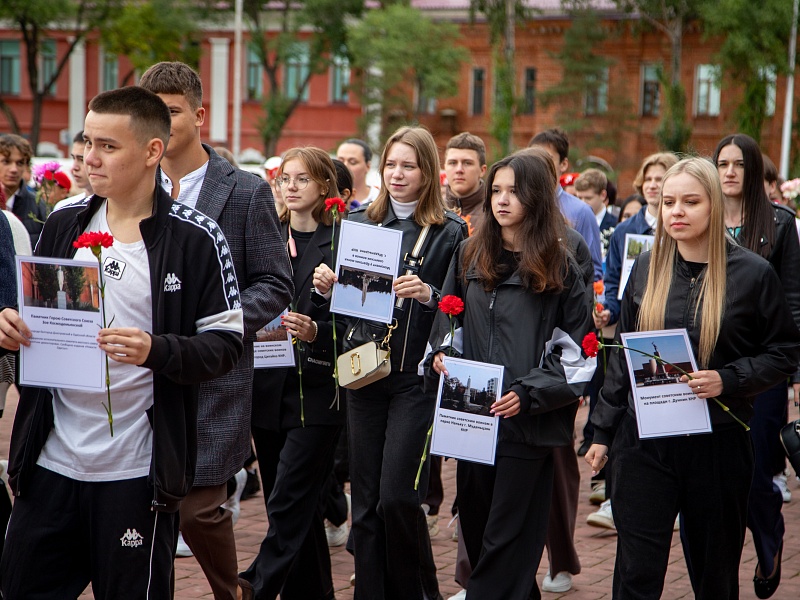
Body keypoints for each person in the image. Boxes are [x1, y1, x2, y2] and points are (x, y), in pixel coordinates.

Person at [0, 86, 245, 599]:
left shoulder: (196, 238)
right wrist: (10, 329)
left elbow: (225, 346)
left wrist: (155, 349)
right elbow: (36, 322)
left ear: (153, 151)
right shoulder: (65, 222)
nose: (90, 158)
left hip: (137, 475)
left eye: (108, 146)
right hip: (50, 464)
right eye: (88, 143)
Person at [587, 156, 800, 600]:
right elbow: (624, 356)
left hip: (718, 444)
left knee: (714, 576)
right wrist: (602, 432)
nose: (676, 211)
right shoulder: (647, 267)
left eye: (690, 201)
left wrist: (728, 378)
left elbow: (783, 352)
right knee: (636, 575)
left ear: (714, 205)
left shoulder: (752, 274)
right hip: (644, 444)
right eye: (668, 202)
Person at [139, 61, 293, 600]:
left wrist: (220, 326)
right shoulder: (134, 185)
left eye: (172, 112)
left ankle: (233, 592)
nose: (160, 124)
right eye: (152, 112)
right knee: (147, 506)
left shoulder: (245, 190)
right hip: (143, 370)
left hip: (214, 374)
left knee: (199, 507)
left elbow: (275, 282)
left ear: (200, 115)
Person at [428, 148, 593, 600]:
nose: (501, 200)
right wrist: (443, 353)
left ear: (536, 197)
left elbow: (578, 356)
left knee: (508, 538)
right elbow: (449, 318)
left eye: (514, 192)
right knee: (481, 532)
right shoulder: (469, 253)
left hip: (526, 425)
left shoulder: (561, 265)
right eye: (496, 190)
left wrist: (528, 392)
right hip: (472, 420)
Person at [314, 125, 467, 600]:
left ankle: (419, 591)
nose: (397, 174)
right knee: (364, 501)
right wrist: (328, 289)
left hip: (414, 379)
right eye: (391, 165)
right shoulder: (359, 222)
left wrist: (429, 294)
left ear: (428, 173)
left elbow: (461, 308)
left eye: (409, 166)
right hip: (364, 370)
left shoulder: (450, 232)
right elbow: (345, 309)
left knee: (398, 496)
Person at [239, 147, 345, 600]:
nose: (291, 186)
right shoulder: (268, 236)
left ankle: (253, 586)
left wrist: (319, 328)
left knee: (289, 499)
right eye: (285, 178)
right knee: (293, 507)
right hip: (268, 385)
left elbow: (365, 322)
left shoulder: (341, 241)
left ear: (324, 185)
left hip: (318, 393)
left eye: (303, 178)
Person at [714, 133, 800, 598]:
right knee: (717, 473)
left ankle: (768, 540)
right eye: (722, 163)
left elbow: (793, 302)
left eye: (739, 164)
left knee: (757, 470)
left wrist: (797, 374)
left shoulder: (780, 223)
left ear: (753, 171)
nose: (730, 172)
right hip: (710, 365)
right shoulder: (702, 217)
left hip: (763, 370)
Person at [586, 151, 678, 529]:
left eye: (662, 178)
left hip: (670, 336)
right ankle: (614, 497)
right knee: (624, 406)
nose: (654, 185)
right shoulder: (627, 230)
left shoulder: (681, 230)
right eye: (650, 179)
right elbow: (612, 280)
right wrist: (608, 309)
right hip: (630, 327)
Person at [529, 129, 602, 281]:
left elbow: (592, 271)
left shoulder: (581, 211)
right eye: (534, 158)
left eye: (547, 158)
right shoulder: (520, 205)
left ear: (563, 164)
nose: (539, 164)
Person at [0, 134, 47, 248]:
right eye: (6, 162)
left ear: (26, 166)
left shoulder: (38, 206)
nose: (14, 169)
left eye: (20, 163)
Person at [443, 132, 488, 236]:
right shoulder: (432, 211)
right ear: (445, 167)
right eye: (452, 163)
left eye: (467, 163)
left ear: (482, 170)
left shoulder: (494, 212)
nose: (459, 169)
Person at [574, 168, 617, 259]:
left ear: (603, 195)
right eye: (579, 198)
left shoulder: (616, 225)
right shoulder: (572, 224)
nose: (583, 203)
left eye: (588, 198)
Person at [337, 138, 379, 208]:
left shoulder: (380, 198)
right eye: (340, 161)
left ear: (368, 166)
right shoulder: (328, 197)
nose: (345, 166)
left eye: (353, 162)